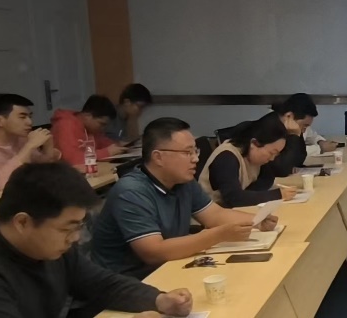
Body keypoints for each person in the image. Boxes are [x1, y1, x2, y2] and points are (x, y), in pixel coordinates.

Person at [0, 162, 193, 318]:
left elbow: (102, 284)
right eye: (67, 228)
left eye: (78, 227)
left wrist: (160, 300)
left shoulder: (47, 248)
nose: (75, 239)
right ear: (22, 222)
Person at [91, 117, 279, 278]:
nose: (195, 159)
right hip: (128, 281)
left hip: (167, 267)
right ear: (158, 157)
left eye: (195, 151)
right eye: (187, 152)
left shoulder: (183, 181)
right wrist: (217, 235)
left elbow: (215, 215)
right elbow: (153, 252)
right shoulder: (131, 192)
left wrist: (256, 220)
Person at [199, 116, 298, 207]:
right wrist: (277, 195)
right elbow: (234, 198)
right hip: (210, 215)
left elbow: (267, 179)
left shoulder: (256, 156)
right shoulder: (227, 157)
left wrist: (249, 196)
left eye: (276, 154)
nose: (272, 158)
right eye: (271, 153)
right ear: (254, 143)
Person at [52, 95, 127, 166]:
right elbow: (72, 160)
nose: (104, 128)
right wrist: (106, 153)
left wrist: (119, 146)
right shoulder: (65, 125)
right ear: (87, 116)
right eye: (102, 124)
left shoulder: (91, 129)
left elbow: (103, 142)